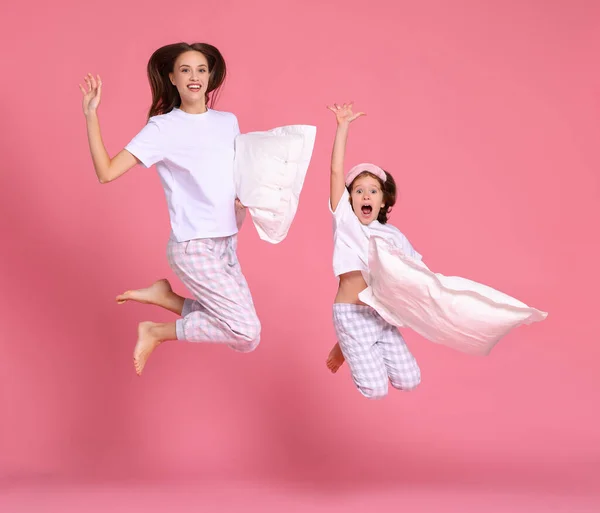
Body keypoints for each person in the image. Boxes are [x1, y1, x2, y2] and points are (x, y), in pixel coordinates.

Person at [79, 42, 260, 376]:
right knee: (247, 329)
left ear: (211, 76)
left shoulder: (228, 121)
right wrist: (91, 115)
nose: (195, 77)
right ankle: (156, 331)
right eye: (186, 70)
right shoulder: (162, 128)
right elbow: (106, 172)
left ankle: (165, 297)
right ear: (172, 78)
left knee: (245, 338)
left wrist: (245, 199)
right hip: (194, 245)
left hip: (228, 240)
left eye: (202, 70)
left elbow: (236, 175)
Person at [324, 102, 422, 399]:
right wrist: (343, 128)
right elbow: (335, 170)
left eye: (373, 190)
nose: (365, 195)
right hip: (352, 313)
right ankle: (347, 342)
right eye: (358, 190)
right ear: (350, 198)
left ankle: (347, 344)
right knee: (374, 390)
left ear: (382, 201)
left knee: (410, 380)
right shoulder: (345, 221)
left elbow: (417, 270)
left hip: (382, 315)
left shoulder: (392, 235)